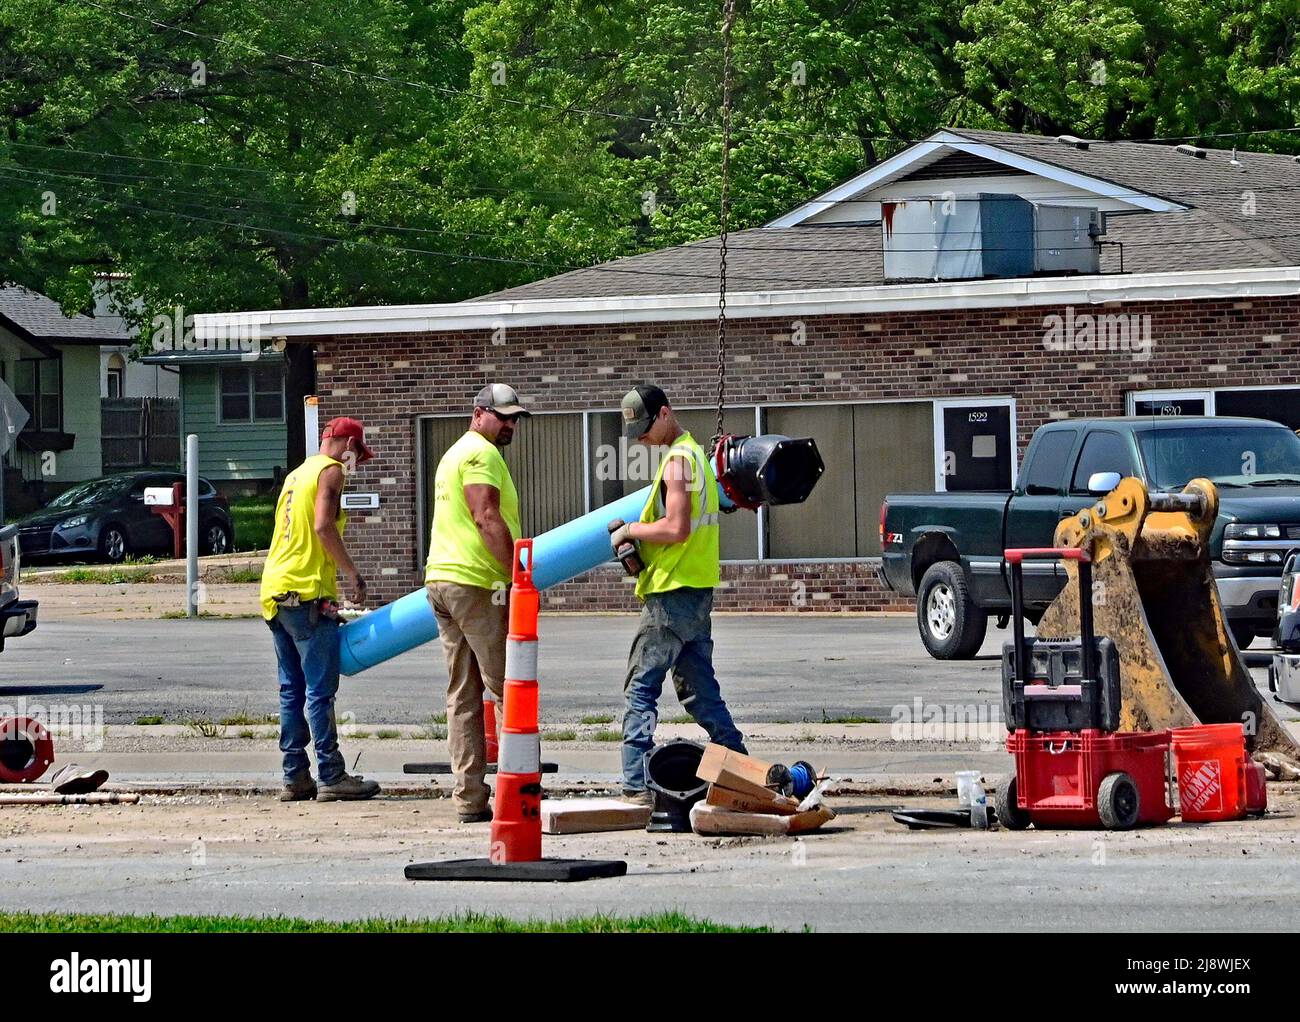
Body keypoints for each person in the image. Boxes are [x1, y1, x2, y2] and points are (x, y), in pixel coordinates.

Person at [609, 385, 747, 805]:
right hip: (694, 591)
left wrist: (630, 530)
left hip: (669, 594)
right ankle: (741, 770)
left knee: (641, 687)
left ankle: (635, 784)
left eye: (647, 428)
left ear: (665, 414)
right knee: (699, 690)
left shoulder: (677, 464)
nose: (642, 438)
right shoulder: (696, 459)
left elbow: (676, 528)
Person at [424, 384, 529, 823]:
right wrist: (516, 577)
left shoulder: (453, 454)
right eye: (502, 417)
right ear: (478, 413)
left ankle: (470, 798)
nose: (509, 425)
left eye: (514, 418)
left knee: (462, 694)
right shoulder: (482, 455)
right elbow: (486, 516)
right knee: (509, 688)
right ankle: (518, 793)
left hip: (442, 579)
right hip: (476, 584)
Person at [261, 417, 379, 802]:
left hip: (276, 592)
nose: (356, 462)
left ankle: (294, 776)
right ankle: (331, 774)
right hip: (307, 592)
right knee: (320, 690)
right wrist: (352, 575)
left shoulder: (297, 474)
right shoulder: (330, 471)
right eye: (357, 452)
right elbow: (323, 526)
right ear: (345, 443)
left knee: (290, 690)